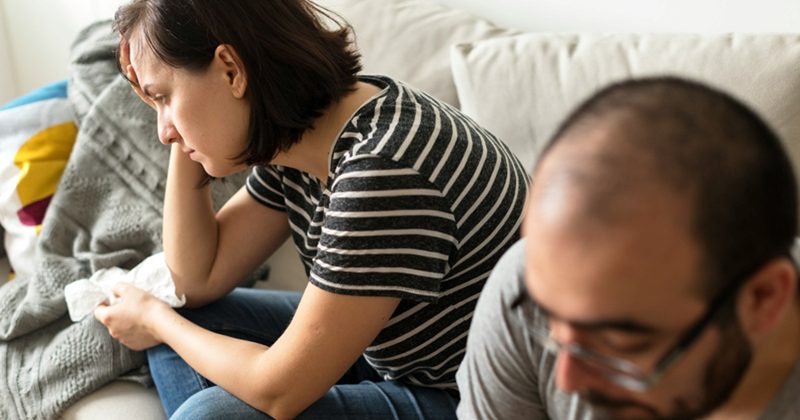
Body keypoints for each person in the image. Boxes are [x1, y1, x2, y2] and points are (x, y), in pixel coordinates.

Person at [91, 0, 528, 419]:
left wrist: (154, 319)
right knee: (190, 316)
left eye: (164, 97)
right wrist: (181, 124)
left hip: (463, 399)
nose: (162, 132)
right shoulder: (305, 132)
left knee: (210, 407)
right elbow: (196, 277)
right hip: (392, 360)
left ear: (231, 69)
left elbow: (278, 391)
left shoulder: (383, 170)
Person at [456, 77, 800, 420]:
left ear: (763, 298)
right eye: (549, 322)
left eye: (618, 341)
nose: (567, 380)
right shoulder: (525, 287)